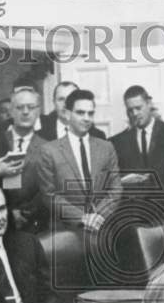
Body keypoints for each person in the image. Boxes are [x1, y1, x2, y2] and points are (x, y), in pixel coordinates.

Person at [35, 88, 120, 233]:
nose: (86, 118)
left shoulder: (106, 147)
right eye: (80, 112)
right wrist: (81, 218)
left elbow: (115, 188)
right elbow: (49, 196)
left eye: (90, 113)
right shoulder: (49, 151)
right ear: (68, 114)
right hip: (66, 233)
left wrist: (97, 216)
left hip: (102, 227)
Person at [108, 85, 164, 191]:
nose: (135, 114)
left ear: (149, 104)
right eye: (130, 110)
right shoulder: (117, 142)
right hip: (134, 205)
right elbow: (111, 179)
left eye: (138, 108)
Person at [4, 85, 48, 232]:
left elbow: (48, 188)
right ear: (11, 111)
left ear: (38, 111)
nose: (25, 112)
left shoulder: (48, 148)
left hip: (34, 224)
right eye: (19, 107)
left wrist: (24, 213)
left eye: (31, 107)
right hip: (0, 218)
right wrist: (9, 212)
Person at [38, 80, 105, 141]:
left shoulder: (97, 135)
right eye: (61, 99)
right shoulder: (40, 134)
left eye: (71, 99)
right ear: (54, 103)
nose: (65, 104)